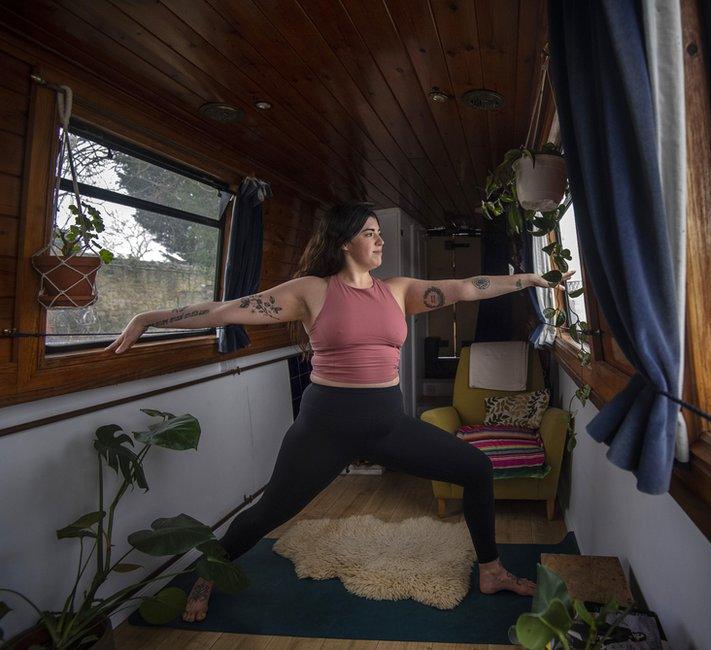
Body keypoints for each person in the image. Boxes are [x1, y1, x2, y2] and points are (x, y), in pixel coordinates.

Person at [106, 202, 575, 622]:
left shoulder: (399, 290)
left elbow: (467, 287)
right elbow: (229, 310)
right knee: (268, 512)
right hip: (325, 427)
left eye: (379, 233)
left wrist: (525, 281)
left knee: (475, 468)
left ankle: (490, 570)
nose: (380, 240)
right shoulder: (312, 290)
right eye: (371, 232)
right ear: (345, 240)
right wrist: (150, 318)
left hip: (386, 423)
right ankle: (207, 573)